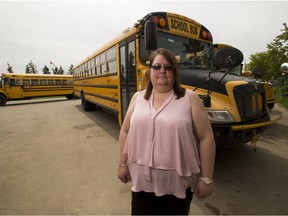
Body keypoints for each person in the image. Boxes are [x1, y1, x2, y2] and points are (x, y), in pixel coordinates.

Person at [118, 48, 216, 215]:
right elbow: (125, 130)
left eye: (168, 67)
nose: (162, 71)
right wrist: (122, 164)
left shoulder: (190, 98)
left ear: (174, 72)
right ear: (150, 71)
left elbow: (206, 138)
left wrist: (206, 179)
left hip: (177, 187)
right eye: (157, 66)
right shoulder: (138, 97)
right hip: (142, 183)